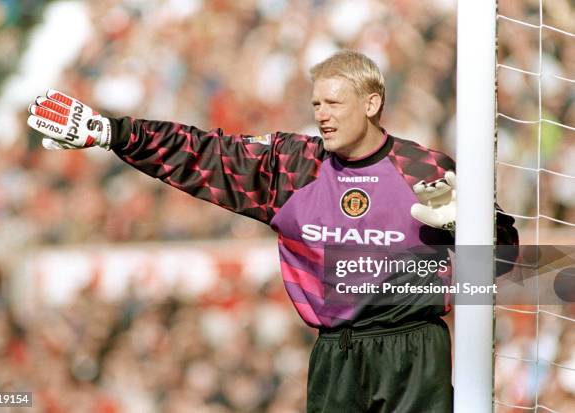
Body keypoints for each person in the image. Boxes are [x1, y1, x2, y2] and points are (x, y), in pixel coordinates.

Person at [27, 50, 518, 412]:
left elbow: (506, 263)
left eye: (333, 102)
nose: (321, 114)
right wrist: (118, 133)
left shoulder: (425, 168)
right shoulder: (293, 165)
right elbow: (203, 152)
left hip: (417, 347)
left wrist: (468, 227)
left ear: (372, 103)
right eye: (316, 103)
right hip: (337, 353)